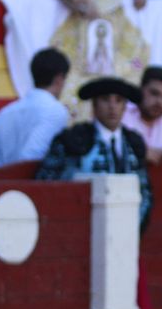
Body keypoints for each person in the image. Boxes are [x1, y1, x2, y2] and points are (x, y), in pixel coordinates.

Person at [36, 75, 153, 229]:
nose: (112, 107)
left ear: (125, 106)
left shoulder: (133, 142)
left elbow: (143, 191)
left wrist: (131, 228)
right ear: (95, 105)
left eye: (118, 100)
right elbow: (48, 184)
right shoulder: (73, 139)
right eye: (105, 99)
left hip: (127, 230)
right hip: (80, 228)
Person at [0, 48, 71, 173]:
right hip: (34, 189)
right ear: (59, 78)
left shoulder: (4, 113)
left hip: (1, 188)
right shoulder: (56, 111)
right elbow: (30, 158)